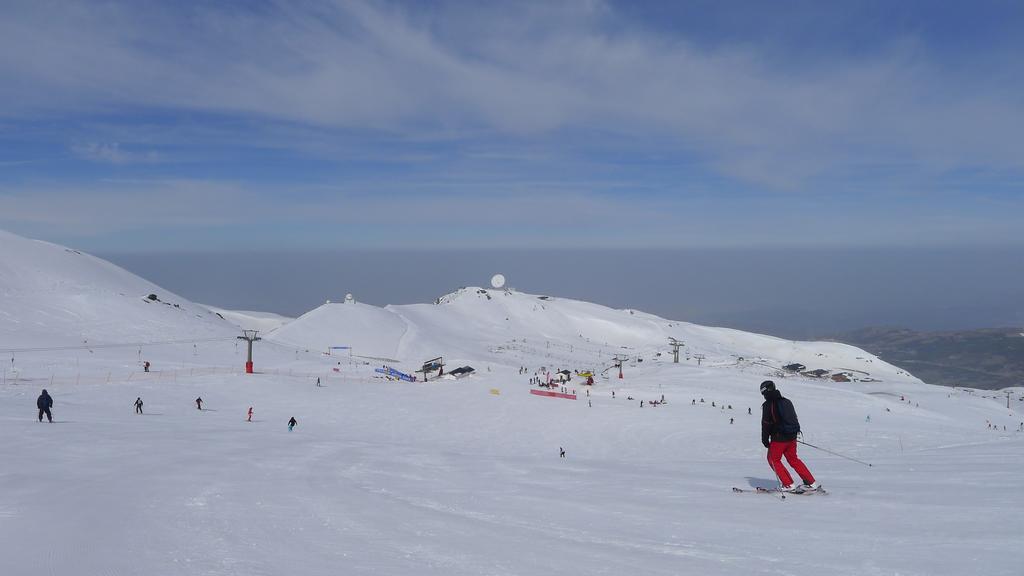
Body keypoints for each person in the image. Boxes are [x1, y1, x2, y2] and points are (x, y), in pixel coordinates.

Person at [760, 380, 817, 492]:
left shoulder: (768, 405)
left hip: (778, 438)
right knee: (793, 459)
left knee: (773, 459)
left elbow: (766, 424)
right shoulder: (786, 401)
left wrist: (765, 440)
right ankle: (811, 483)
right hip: (792, 437)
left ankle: (788, 484)